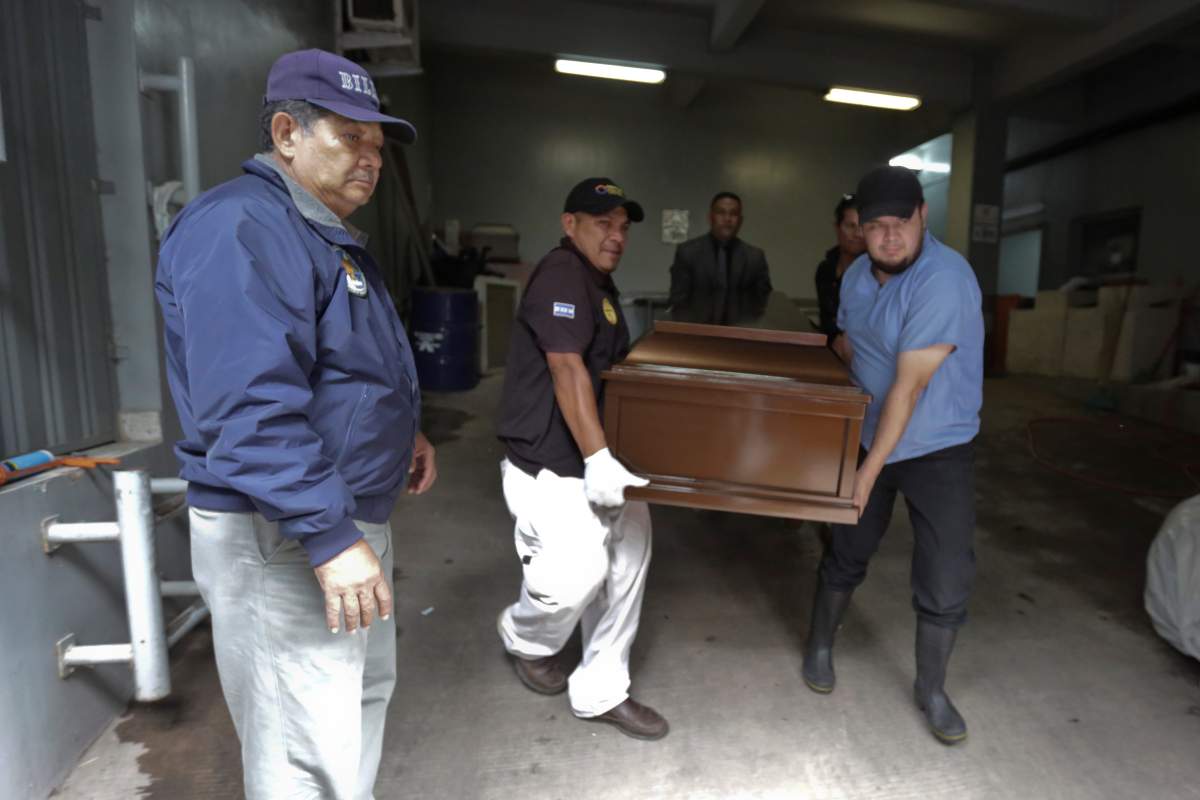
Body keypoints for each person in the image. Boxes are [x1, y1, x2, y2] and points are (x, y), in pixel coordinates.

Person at [155, 49, 438, 798]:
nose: (371, 161)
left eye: (377, 146)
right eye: (351, 138)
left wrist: (398, 432)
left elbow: (338, 367)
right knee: (301, 747)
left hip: (333, 516)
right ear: (287, 134)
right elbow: (248, 407)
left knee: (351, 710)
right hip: (281, 531)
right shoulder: (242, 229)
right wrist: (329, 533)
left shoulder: (319, 231)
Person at [801, 166, 984, 746]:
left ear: (923, 216)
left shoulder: (944, 280)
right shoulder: (857, 275)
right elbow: (852, 343)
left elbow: (908, 388)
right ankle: (821, 643)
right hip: (867, 432)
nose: (887, 238)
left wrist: (866, 474)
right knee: (848, 549)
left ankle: (931, 689)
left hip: (938, 448)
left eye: (899, 224)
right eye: (872, 226)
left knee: (946, 571)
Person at [495, 177, 668, 741]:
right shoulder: (562, 272)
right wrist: (597, 458)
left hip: (601, 457)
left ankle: (600, 690)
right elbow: (565, 367)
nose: (616, 236)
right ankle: (527, 639)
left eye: (622, 227)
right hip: (551, 463)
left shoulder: (600, 284)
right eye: (603, 224)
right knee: (577, 576)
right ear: (570, 224)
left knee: (628, 565)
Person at [668, 191, 772, 324]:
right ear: (711, 217)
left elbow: (764, 303)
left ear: (740, 220)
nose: (727, 218)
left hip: (741, 336)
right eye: (721, 212)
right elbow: (678, 302)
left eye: (733, 214)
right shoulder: (688, 252)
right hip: (697, 335)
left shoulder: (755, 257)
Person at [814, 193, 866, 340]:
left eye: (863, 227)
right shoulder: (825, 269)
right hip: (825, 353)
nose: (858, 234)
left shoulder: (874, 273)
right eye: (851, 226)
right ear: (837, 227)